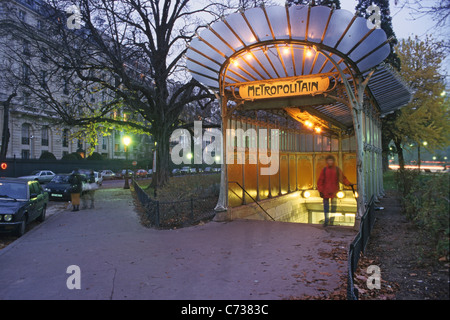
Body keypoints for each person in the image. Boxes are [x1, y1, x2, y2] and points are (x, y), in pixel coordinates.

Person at [317, 155, 353, 227]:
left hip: (331, 192)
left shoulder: (333, 169)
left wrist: (348, 184)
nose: (330, 162)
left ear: (333, 161)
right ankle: (328, 221)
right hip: (328, 192)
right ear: (327, 161)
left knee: (331, 208)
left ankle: (330, 221)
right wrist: (320, 191)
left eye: (331, 160)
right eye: (329, 160)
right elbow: (320, 181)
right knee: (328, 208)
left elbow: (342, 178)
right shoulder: (328, 170)